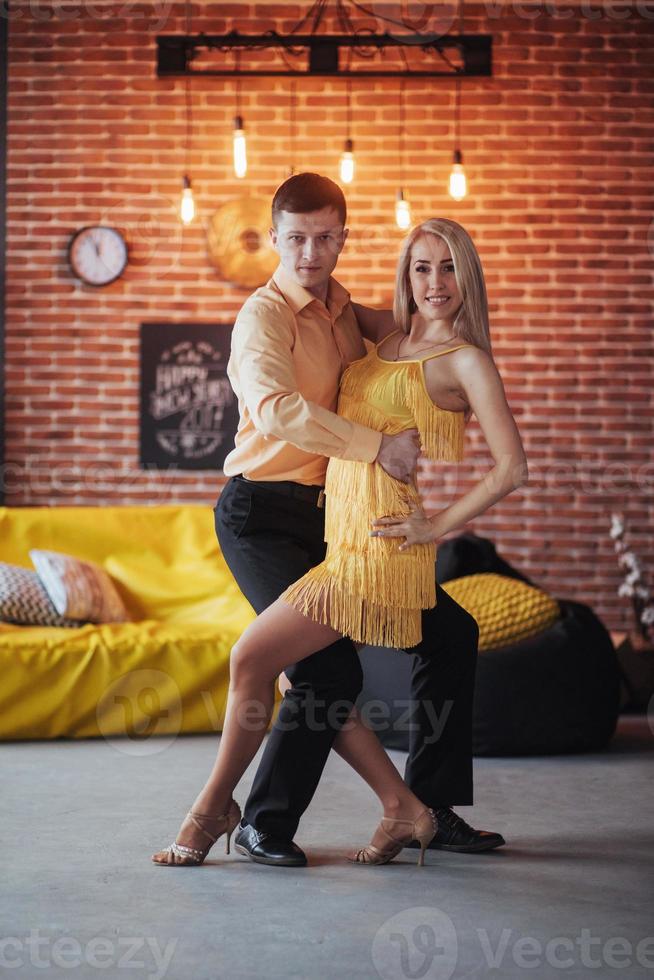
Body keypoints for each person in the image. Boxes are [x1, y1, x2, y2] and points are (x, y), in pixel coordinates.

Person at [151, 174, 528, 868]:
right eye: (296, 238)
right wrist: (380, 446)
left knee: (450, 630)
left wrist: (442, 348)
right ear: (274, 239)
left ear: (344, 240)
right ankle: (262, 819)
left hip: (342, 521)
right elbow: (276, 410)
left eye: (326, 237)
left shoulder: (353, 315)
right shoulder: (263, 316)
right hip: (261, 512)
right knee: (321, 670)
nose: (310, 252)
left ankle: (427, 808)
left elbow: (421, 345)